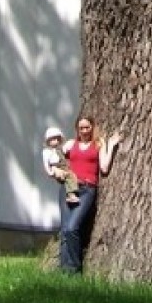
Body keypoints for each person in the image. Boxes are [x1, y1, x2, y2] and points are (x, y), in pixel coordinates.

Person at [59, 114, 121, 275]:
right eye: (81, 128)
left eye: (87, 127)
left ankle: (74, 270)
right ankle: (64, 270)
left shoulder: (98, 144)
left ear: (92, 127)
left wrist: (111, 145)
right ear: (77, 129)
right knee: (65, 230)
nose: (84, 131)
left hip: (87, 189)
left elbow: (105, 168)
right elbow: (57, 159)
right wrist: (56, 170)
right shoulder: (71, 144)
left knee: (73, 228)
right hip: (68, 187)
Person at [41, 126, 79, 205]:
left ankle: (74, 190)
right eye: (53, 139)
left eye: (57, 139)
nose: (56, 141)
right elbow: (46, 163)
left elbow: (67, 148)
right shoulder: (47, 152)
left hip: (64, 165)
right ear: (48, 141)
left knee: (72, 175)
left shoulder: (61, 149)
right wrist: (50, 172)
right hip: (56, 166)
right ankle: (71, 195)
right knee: (68, 176)